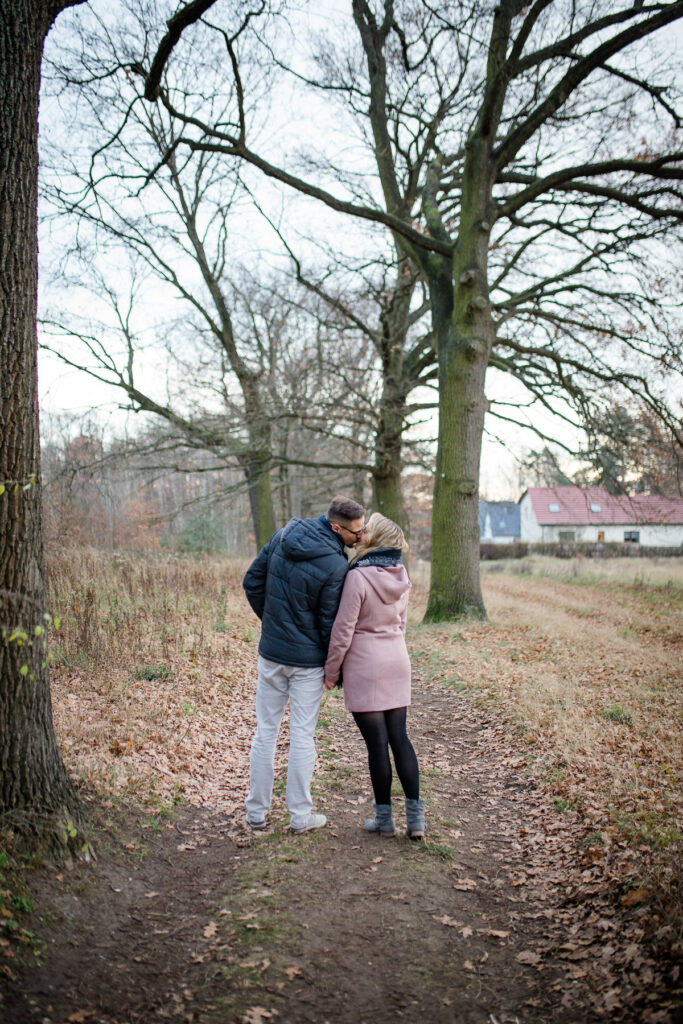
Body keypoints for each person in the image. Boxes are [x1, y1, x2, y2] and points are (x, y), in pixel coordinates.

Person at [242, 495, 366, 833]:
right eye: (357, 532)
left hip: (272, 654)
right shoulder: (336, 566)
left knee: (266, 731)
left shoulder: (282, 536)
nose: (361, 536)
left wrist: (274, 625)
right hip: (307, 664)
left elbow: (252, 582)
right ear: (336, 528)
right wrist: (334, 670)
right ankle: (299, 816)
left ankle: (256, 812)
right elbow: (329, 624)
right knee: (301, 735)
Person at [323, 512, 425, 839]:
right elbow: (402, 624)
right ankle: (416, 821)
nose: (362, 532)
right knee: (400, 738)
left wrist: (331, 672)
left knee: (377, 746)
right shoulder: (401, 574)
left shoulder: (358, 576)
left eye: (368, 529)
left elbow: (343, 631)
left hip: (365, 665)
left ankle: (384, 820)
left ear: (376, 538)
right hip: (397, 659)